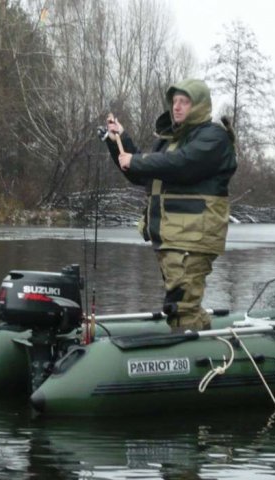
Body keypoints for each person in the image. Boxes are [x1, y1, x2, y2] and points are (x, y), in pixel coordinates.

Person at [103, 78, 237, 332]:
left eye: (184, 102)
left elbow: (182, 164)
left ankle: (195, 357)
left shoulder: (214, 138)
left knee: (182, 306)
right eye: (174, 101)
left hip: (193, 238)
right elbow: (140, 172)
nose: (176, 107)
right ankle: (203, 348)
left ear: (198, 106)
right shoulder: (169, 141)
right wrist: (118, 141)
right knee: (180, 305)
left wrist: (138, 160)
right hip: (171, 237)